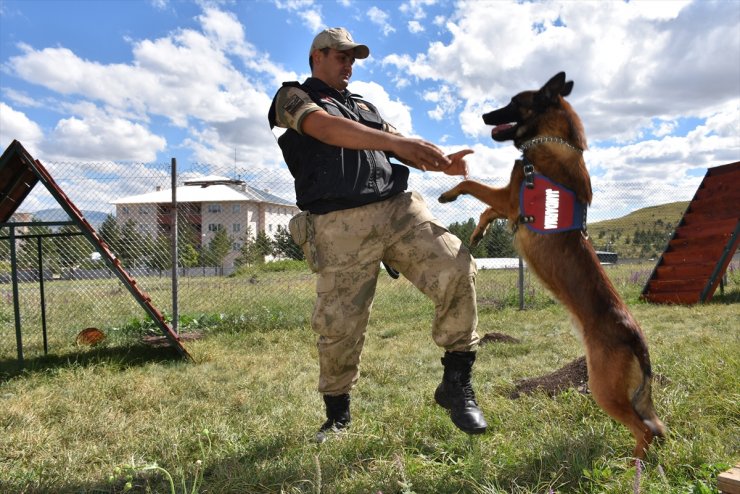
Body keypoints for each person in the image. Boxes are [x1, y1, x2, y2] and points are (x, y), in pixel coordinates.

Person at [268, 27, 487, 442]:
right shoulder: (293, 98)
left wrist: (439, 161)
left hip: (398, 209)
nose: (348, 64)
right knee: (340, 325)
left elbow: (401, 147)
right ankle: (338, 416)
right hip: (340, 224)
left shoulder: (365, 107)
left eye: (353, 58)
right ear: (317, 56)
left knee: (457, 266)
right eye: (340, 56)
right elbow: (327, 130)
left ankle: (457, 381)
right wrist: (393, 139)